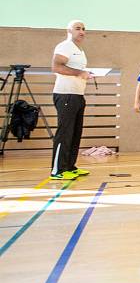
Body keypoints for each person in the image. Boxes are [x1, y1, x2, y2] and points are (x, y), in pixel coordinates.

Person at [50, 20, 93, 180]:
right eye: (77, 28)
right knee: (65, 133)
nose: (81, 31)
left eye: (83, 29)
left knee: (75, 133)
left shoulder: (79, 50)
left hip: (77, 95)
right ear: (69, 30)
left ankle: (69, 166)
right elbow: (56, 67)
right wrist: (79, 73)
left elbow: (77, 71)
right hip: (65, 95)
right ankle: (57, 170)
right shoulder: (65, 46)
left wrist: (85, 74)